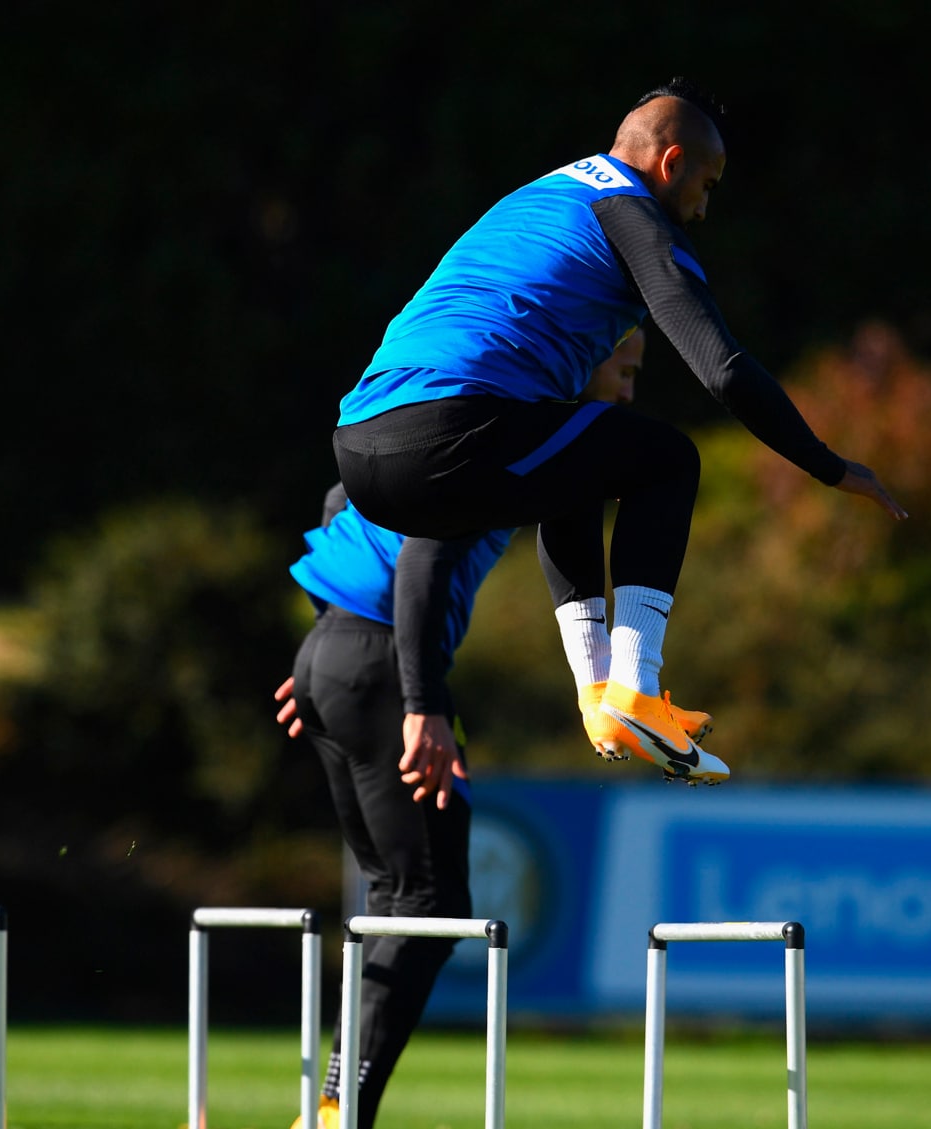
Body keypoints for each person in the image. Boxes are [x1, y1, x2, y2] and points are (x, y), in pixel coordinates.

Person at [330, 78, 907, 790]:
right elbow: (723, 369)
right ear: (671, 164)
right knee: (667, 459)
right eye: (707, 185)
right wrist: (828, 465)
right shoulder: (631, 211)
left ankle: (601, 697)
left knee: (579, 458)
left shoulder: (543, 193)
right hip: (446, 431)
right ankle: (637, 687)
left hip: (360, 449)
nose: (704, 208)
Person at [273, 343, 683, 1129]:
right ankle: (336, 1113)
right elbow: (423, 562)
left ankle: (329, 1106)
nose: (629, 392)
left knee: (396, 898)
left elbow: (337, 499)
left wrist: (327, 645)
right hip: (383, 662)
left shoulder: (472, 426)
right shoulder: (490, 436)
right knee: (430, 902)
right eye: (624, 369)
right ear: (580, 357)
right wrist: (420, 702)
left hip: (338, 653)